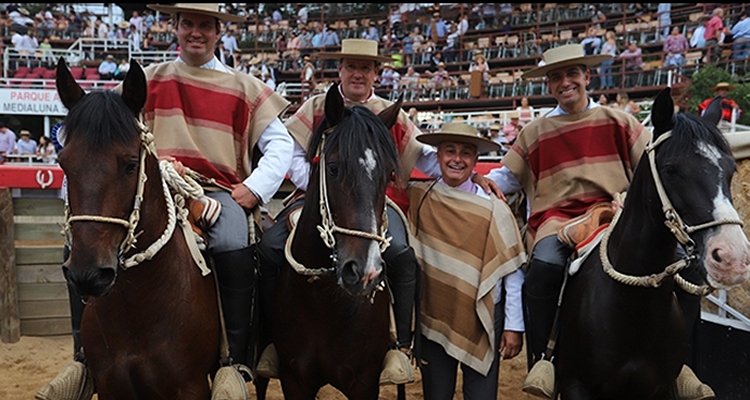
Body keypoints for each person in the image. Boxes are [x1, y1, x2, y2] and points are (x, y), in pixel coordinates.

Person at [37, 4, 294, 400]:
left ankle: (233, 362)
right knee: (80, 243)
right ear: (175, 28)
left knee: (231, 241)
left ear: (218, 31)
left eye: (204, 25)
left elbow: (280, 145)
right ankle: (84, 360)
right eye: (187, 23)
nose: (196, 32)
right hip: (153, 187)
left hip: (218, 190)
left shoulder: (246, 87)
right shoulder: (147, 80)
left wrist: (254, 189)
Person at [485, 44, 712, 400]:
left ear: (587, 76)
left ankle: (681, 365)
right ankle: (545, 360)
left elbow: (654, 164)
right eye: (556, 77)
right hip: (558, 219)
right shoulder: (535, 131)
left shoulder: (618, 120)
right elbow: (507, 177)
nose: (565, 82)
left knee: (686, 271)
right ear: (549, 85)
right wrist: (474, 183)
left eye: (572, 73)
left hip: (617, 213)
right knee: (544, 266)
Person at [256, 38, 451, 385]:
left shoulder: (391, 113)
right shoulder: (317, 106)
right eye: (351, 66)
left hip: (378, 203)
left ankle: (399, 346)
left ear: (376, 73)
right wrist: (319, 187)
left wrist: (467, 175)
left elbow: (423, 157)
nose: (357, 74)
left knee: (404, 254)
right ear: (341, 70)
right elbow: (292, 154)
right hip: (315, 200)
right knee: (270, 247)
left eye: (365, 67)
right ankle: (271, 340)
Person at [409, 122, 527, 400]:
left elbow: (511, 272)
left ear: (475, 160)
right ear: (437, 157)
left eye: (465, 153)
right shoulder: (419, 198)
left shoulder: (495, 208)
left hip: (485, 319)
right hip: (434, 316)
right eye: (449, 151)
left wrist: (513, 325)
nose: (457, 159)